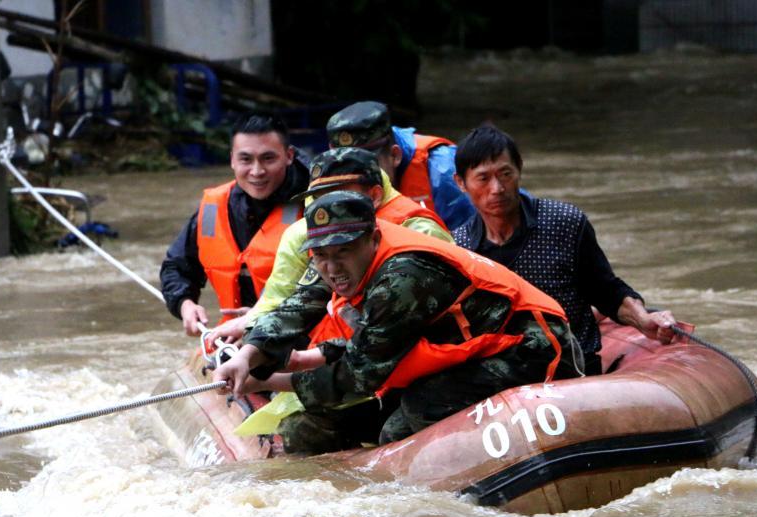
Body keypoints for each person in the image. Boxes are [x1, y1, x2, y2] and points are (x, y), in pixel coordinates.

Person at [214, 191, 580, 455]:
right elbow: (296, 307)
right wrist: (248, 357)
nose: (331, 267)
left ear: (373, 239)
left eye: (343, 252)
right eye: (321, 256)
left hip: (532, 346)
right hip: (455, 350)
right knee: (309, 428)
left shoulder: (401, 277)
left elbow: (360, 375)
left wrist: (276, 380)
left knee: (409, 420)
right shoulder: (331, 258)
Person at [452, 124, 678, 376]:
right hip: (503, 376)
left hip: (573, 367)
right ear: (461, 183)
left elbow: (607, 291)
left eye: (505, 174)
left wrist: (643, 320)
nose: (497, 188)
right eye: (483, 178)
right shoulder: (459, 248)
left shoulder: (564, 223)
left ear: (519, 170)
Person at [204, 146, 452, 348]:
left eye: (341, 194)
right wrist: (253, 334)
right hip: (349, 348)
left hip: (422, 349)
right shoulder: (315, 236)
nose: (331, 206)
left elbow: (385, 337)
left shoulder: (418, 232)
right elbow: (299, 298)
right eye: (321, 196)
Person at [159, 113, 310, 336]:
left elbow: (328, 288)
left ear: (288, 156)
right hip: (231, 333)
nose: (257, 171)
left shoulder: (315, 206)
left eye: (268, 158)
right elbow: (176, 267)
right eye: (246, 159)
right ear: (232, 160)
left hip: (298, 334)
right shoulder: (212, 208)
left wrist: (262, 319)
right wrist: (185, 304)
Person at [326, 101, 475, 231]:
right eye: (347, 167)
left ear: (395, 155)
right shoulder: (325, 174)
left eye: (367, 165)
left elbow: (474, 240)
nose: (358, 178)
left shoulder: (442, 169)